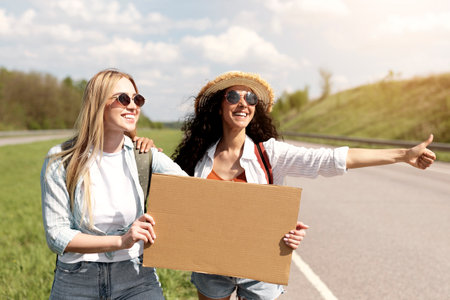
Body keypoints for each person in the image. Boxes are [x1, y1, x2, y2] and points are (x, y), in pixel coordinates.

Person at [172, 71, 436, 300]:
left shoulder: (270, 154)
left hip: (259, 268)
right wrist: (143, 145)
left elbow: (331, 160)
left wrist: (402, 155)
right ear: (219, 106)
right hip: (211, 267)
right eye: (233, 97)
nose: (243, 103)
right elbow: (179, 207)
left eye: (250, 98)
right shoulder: (198, 159)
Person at [40, 69, 187, 299]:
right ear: (98, 103)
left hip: (136, 277)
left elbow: (196, 195)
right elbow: (57, 235)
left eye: (137, 99)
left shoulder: (145, 155)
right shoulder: (61, 160)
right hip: (76, 279)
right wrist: (121, 241)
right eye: (123, 98)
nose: (133, 106)